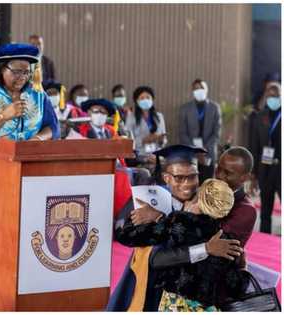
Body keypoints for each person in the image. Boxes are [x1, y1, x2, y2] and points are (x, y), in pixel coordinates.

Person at [108, 145, 244, 311]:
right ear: (166, 178)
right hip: (149, 280)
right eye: (179, 178)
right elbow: (124, 234)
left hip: (190, 294)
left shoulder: (207, 203)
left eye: (192, 176)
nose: (187, 184)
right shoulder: (149, 198)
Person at [0, 43, 60, 293]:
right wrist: (4, 115)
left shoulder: (38, 96)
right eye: (17, 71)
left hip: (30, 168)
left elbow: (54, 126)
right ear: (1, 69)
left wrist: (38, 139)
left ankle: (27, 277)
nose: (22, 77)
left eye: (27, 71)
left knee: (28, 222)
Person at [250, 82, 280, 233]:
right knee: (265, 211)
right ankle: (265, 238)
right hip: (265, 169)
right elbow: (254, 146)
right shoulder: (260, 117)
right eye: (270, 95)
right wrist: (253, 175)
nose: (273, 97)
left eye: (276, 94)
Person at [179, 79, 222, 183]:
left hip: (209, 153)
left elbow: (216, 133)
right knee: (190, 184)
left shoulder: (214, 107)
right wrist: (195, 150)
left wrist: (204, 149)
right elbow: (182, 133)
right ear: (192, 91)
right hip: (190, 153)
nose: (199, 90)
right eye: (196, 88)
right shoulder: (185, 109)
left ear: (206, 89)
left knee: (207, 185)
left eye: (201, 88)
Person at [125, 86, 167, 172]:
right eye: (142, 98)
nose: (145, 100)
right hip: (140, 156)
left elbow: (164, 141)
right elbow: (128, 142)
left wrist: (161, 140)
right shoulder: (131, 117)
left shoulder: (159, 116)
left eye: (148, 97)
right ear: (137, 101)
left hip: (156, 155)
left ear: (152, 99)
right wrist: (144, 140)